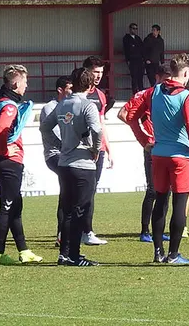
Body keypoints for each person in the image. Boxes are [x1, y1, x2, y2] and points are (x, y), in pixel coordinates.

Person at [40, 68, 102, 267]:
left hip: (64, 163)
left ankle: (64, 254)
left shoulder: (62, 104)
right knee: (80, 210)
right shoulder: (87, 105)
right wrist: (96, 149)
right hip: (82, 164)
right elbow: (97, 130)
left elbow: (44, 128)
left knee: (67, 209)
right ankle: (74, 255)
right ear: (91, 86)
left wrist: (59, 145)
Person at [0, 65, 42, 265]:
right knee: (7, 207)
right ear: (16, 83)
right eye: (25, 82)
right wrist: (5, 148)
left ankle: (24, 250)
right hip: (8, 161)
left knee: (15, 206)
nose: (26, 86)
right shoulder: (9, 106)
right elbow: (3, 128)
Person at [147, 53, 189, 264]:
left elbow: (134, 115)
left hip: (158, 154)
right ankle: (174, 254)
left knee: (160, 201)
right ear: (186, 73)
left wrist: (145, 139)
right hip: (180, 155)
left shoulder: (156, 91)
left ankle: (158, 252)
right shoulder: (187, 96)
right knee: (180, 203)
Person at [119, 63, 172, 243]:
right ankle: (144, 231)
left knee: (166, 190)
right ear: (156, 77)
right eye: (165, 78)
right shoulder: (146, 95)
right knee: (152, 190)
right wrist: (145, 137)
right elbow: (123, 114)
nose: (168, 81)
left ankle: (159, 229)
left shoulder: (173, 95)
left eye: (170, 78)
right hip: (152, 147)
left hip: (168, 147)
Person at [80, 56, 111, 246]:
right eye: (95, 72)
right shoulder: (75, 94)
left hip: (97, 151)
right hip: (79, 150)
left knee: (91, 191)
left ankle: (87, 231)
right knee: (74, 192)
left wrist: (107, 148)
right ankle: (65, 231)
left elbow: (101, 123)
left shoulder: (100, 95)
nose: (98, 76)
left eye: (100, 72)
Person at [40, 76, 73, 246]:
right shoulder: (50, 108)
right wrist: (69, 145)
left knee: (68, 191)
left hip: (66, 154)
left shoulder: (67, 107)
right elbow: (51, 132)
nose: (71, 92)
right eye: (69, 89)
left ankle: (68, 232)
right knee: (67, 190)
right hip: (55, 155)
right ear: (60, 90)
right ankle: (62, 233)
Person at [123, 23, 146, 94]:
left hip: (139, 60)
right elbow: (126, 50)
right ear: (130, 29)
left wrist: (143, 59)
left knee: (140, 78)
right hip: (132, 60)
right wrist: (128, 60)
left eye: (136, 28)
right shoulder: (126, 38)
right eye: (133, 28)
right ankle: (135, 94)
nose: (134, 30)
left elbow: (142, 48)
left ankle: (141, 93)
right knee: (134, 78)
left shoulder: (138, 38)